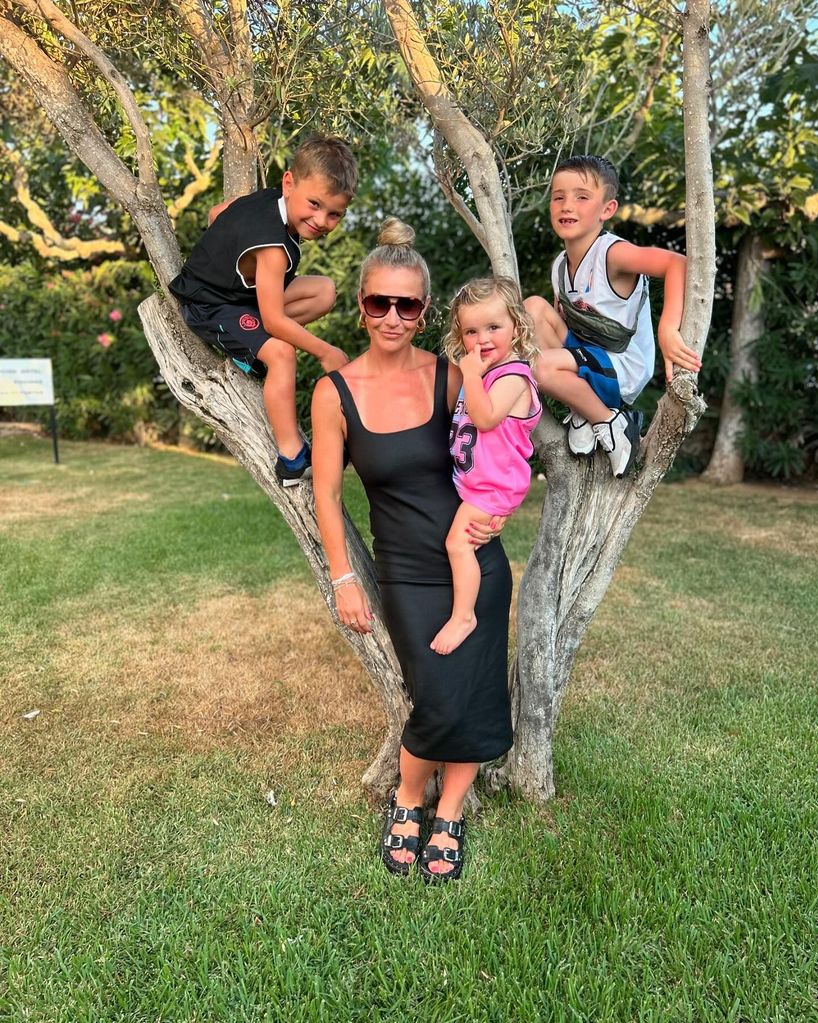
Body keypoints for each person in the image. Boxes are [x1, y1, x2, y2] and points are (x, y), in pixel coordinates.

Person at [311, 220, 513, 883]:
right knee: (435, 696)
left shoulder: (452, 374)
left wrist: (497, 511)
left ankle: (448, 811)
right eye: (378, 302)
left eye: (407, 304)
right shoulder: (334, 392)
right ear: (360, 304)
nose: (392, 316)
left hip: (473, 562)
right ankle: (406, 798)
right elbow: (327, 495)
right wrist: (343, 576)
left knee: (473, 694)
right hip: (405, 576)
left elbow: (500, 441)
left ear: (425, 311)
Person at [169, 136, 357, 486]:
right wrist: (326, 351)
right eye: (314, 204)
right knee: (282, 353)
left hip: (238, 295)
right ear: (289, 182)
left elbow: (217, 214)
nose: (321, 220)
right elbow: (274, 320)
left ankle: (251, 341)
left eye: (334, 214)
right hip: (209, 305)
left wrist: (224, 250)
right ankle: (291, 459)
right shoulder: (272, 249)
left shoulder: (270, 200)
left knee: (323, 292)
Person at [524, 154, 700, 478]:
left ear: (607, 209)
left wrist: (668, 329)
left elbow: (678, 263)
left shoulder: (613, 254)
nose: (566, 205)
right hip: (588, 356)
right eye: (558, 197)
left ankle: (611, 422)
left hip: (621, 371)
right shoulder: (560, 266)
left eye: (581, 197)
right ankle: (583, 412)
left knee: (542, 367)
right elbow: (554, 324)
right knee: (532, 308)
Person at [430, 277, 541, 657]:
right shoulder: (487, 375)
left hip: (494, 488)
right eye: (471, 331)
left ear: (516, 326)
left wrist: (472, 375)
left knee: (457, 543)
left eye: (494, 327)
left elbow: (485, 418)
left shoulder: (512, 376)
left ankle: (464, 616)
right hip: (478, 483)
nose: (483, 339)